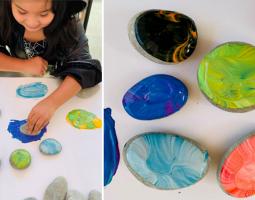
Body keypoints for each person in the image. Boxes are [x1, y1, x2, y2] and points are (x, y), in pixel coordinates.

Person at [0, 0, 102, 134]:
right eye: (22, 12)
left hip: (60, 87)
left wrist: (51, 103)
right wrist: (24, 65)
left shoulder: (69, 25)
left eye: (44, 14)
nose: (32, 23)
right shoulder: (4, 17)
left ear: (59, 8)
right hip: (17, 84)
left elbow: (86, 67)